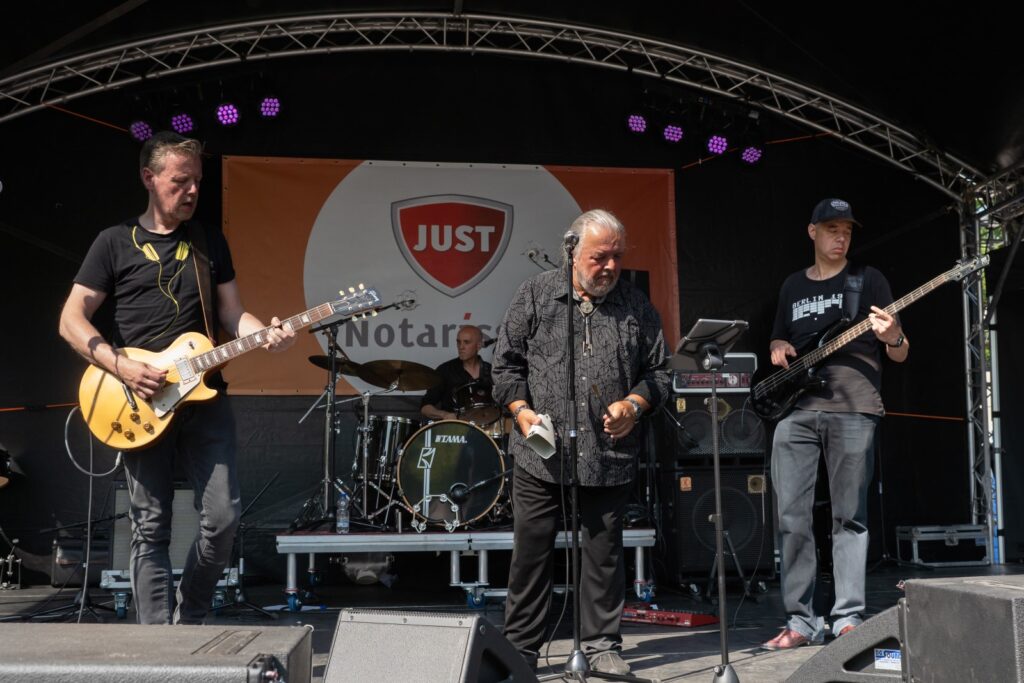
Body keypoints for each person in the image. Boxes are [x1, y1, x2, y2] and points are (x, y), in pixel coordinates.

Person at [58, 131, 296, 625]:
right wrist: (121, 365)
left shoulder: (210, 241)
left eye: (197, 182)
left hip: (205, 400)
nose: (191, 191)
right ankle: (156, 647)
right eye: (180, 181)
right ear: (150, 178)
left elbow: (234, 316)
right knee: (151, 526)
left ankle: (190, 618)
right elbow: (70, 319)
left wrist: (267, 331)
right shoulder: (113, 242)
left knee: (223, 520)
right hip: (137, 398)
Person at [492, 209, 669, 674]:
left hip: (609, 454)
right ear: (571, 252)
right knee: (531, 555)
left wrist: (633, 404)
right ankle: (521, 650)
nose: (609, 266)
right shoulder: (535, 295)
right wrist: (521, 411)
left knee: (604, 554)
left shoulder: (635, 304)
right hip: (542, 455)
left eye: (616, 257)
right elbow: (505, 369)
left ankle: (600, 646)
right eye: (599, 257)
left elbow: (660, 373)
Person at [763, 198, 908, 650]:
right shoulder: (792, 285)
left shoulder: (869, 281)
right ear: (812, 232)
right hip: (798, 410)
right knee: (792, 516)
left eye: (846, 229)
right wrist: (778, 346)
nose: (840, 236)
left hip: (854, 407)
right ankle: (800, 621)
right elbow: (779, 339)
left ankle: (847, 616)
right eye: (831, 228)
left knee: (850, 517)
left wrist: (893, 337)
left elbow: (901, 351)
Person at [420, 325, 494, 423]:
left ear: (479, 345)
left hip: (487, 430)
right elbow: (425, 407)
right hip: (453, 431)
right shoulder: (445, 370)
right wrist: (445, 415)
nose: (461, 347)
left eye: (466, 342)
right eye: (458, 342)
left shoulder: (492, 371)